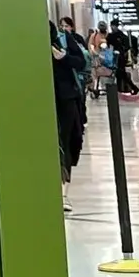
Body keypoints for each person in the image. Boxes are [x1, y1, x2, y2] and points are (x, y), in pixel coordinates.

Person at [52, 17, 87, 211]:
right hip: (42, 99)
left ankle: (63, 193)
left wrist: (63, 57)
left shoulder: (62, 39)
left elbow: (81, 62)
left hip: (66, 100)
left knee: (67, 143)